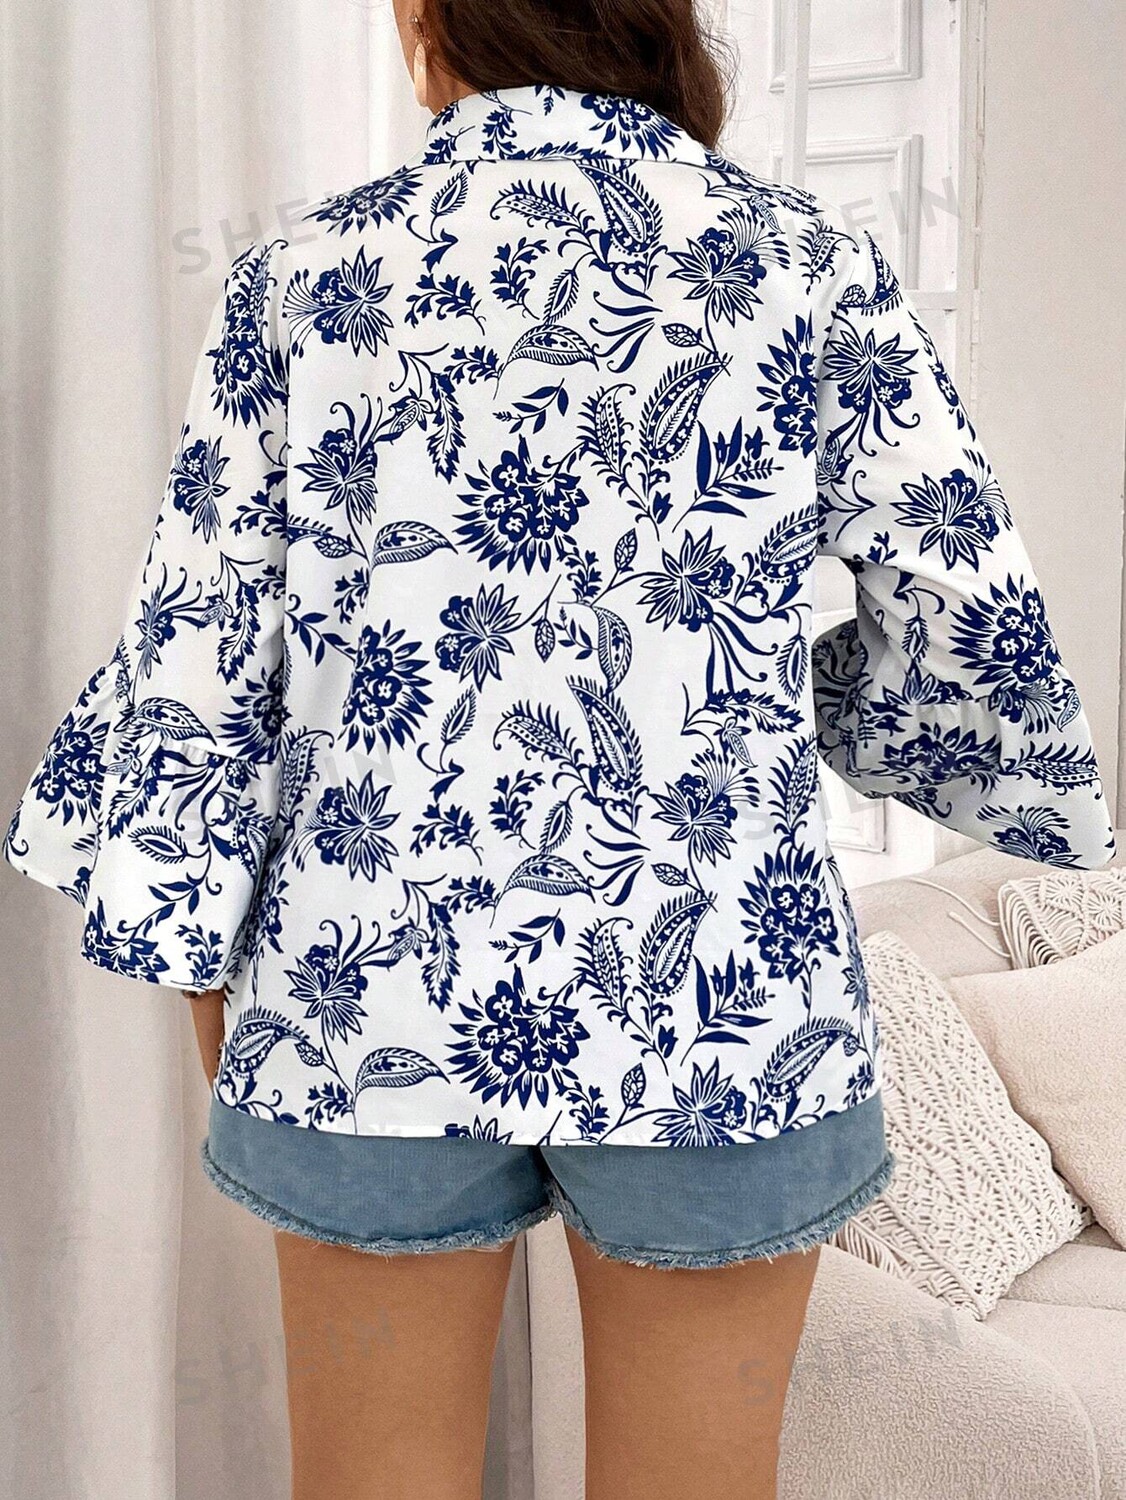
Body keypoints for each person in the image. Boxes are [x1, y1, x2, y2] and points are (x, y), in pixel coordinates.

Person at [4, 0, 1116, 1493]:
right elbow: (962, 608)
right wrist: (789, 712)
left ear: (427, 21)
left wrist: (204, 966)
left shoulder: (307, 278)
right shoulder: (803, 264)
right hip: (719, 989)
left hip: (362, 987)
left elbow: (199, 661)